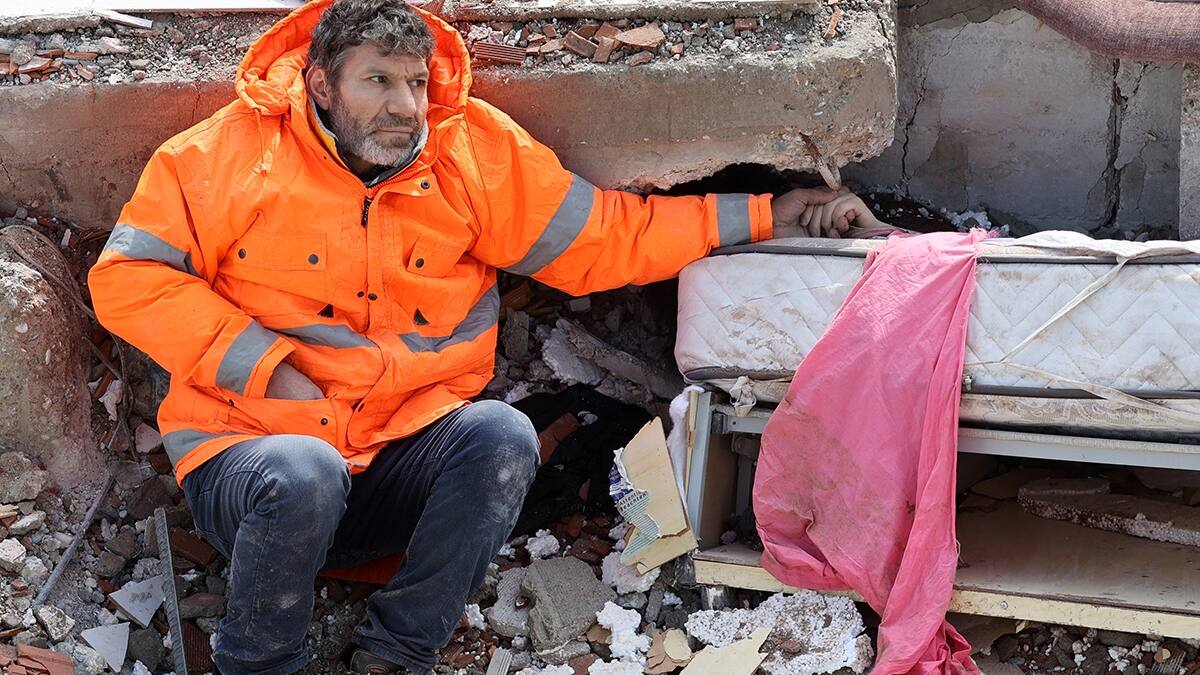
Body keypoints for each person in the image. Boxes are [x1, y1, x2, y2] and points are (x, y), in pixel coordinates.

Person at [87, 0, 874, 672]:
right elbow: (125, 278)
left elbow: (606, 237)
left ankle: (396, 652)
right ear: (321, 85)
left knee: (502, 434)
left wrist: (769, 214)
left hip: (395, 465)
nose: (405, 106)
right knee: (303, 471)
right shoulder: (222, 155)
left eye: (416, 82)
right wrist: (266, 365)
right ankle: (258, 661)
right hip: (260, 472)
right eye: (378, 81)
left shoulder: (468, 151)